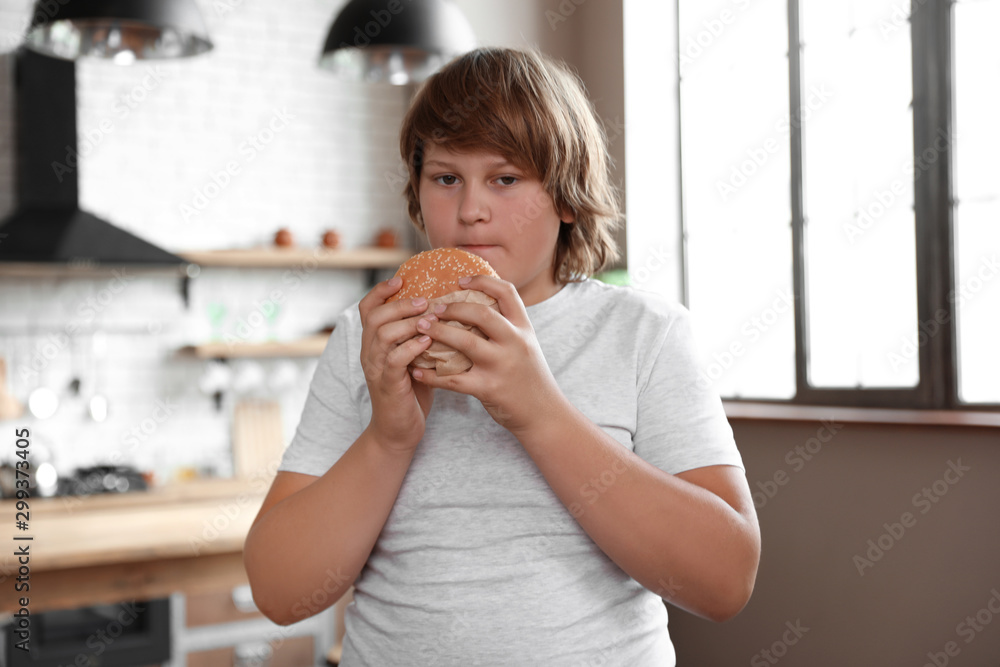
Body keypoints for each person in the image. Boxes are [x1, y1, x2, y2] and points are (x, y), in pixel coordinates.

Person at [244, 47, 760, 665]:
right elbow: (280, 593)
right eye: (445, 178)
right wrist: (389, 437)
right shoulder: (368, 336)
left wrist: (538, 411)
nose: (470, 210)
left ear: (567, 198)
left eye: (506, 178)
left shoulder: (644, 335)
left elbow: (724, 584)